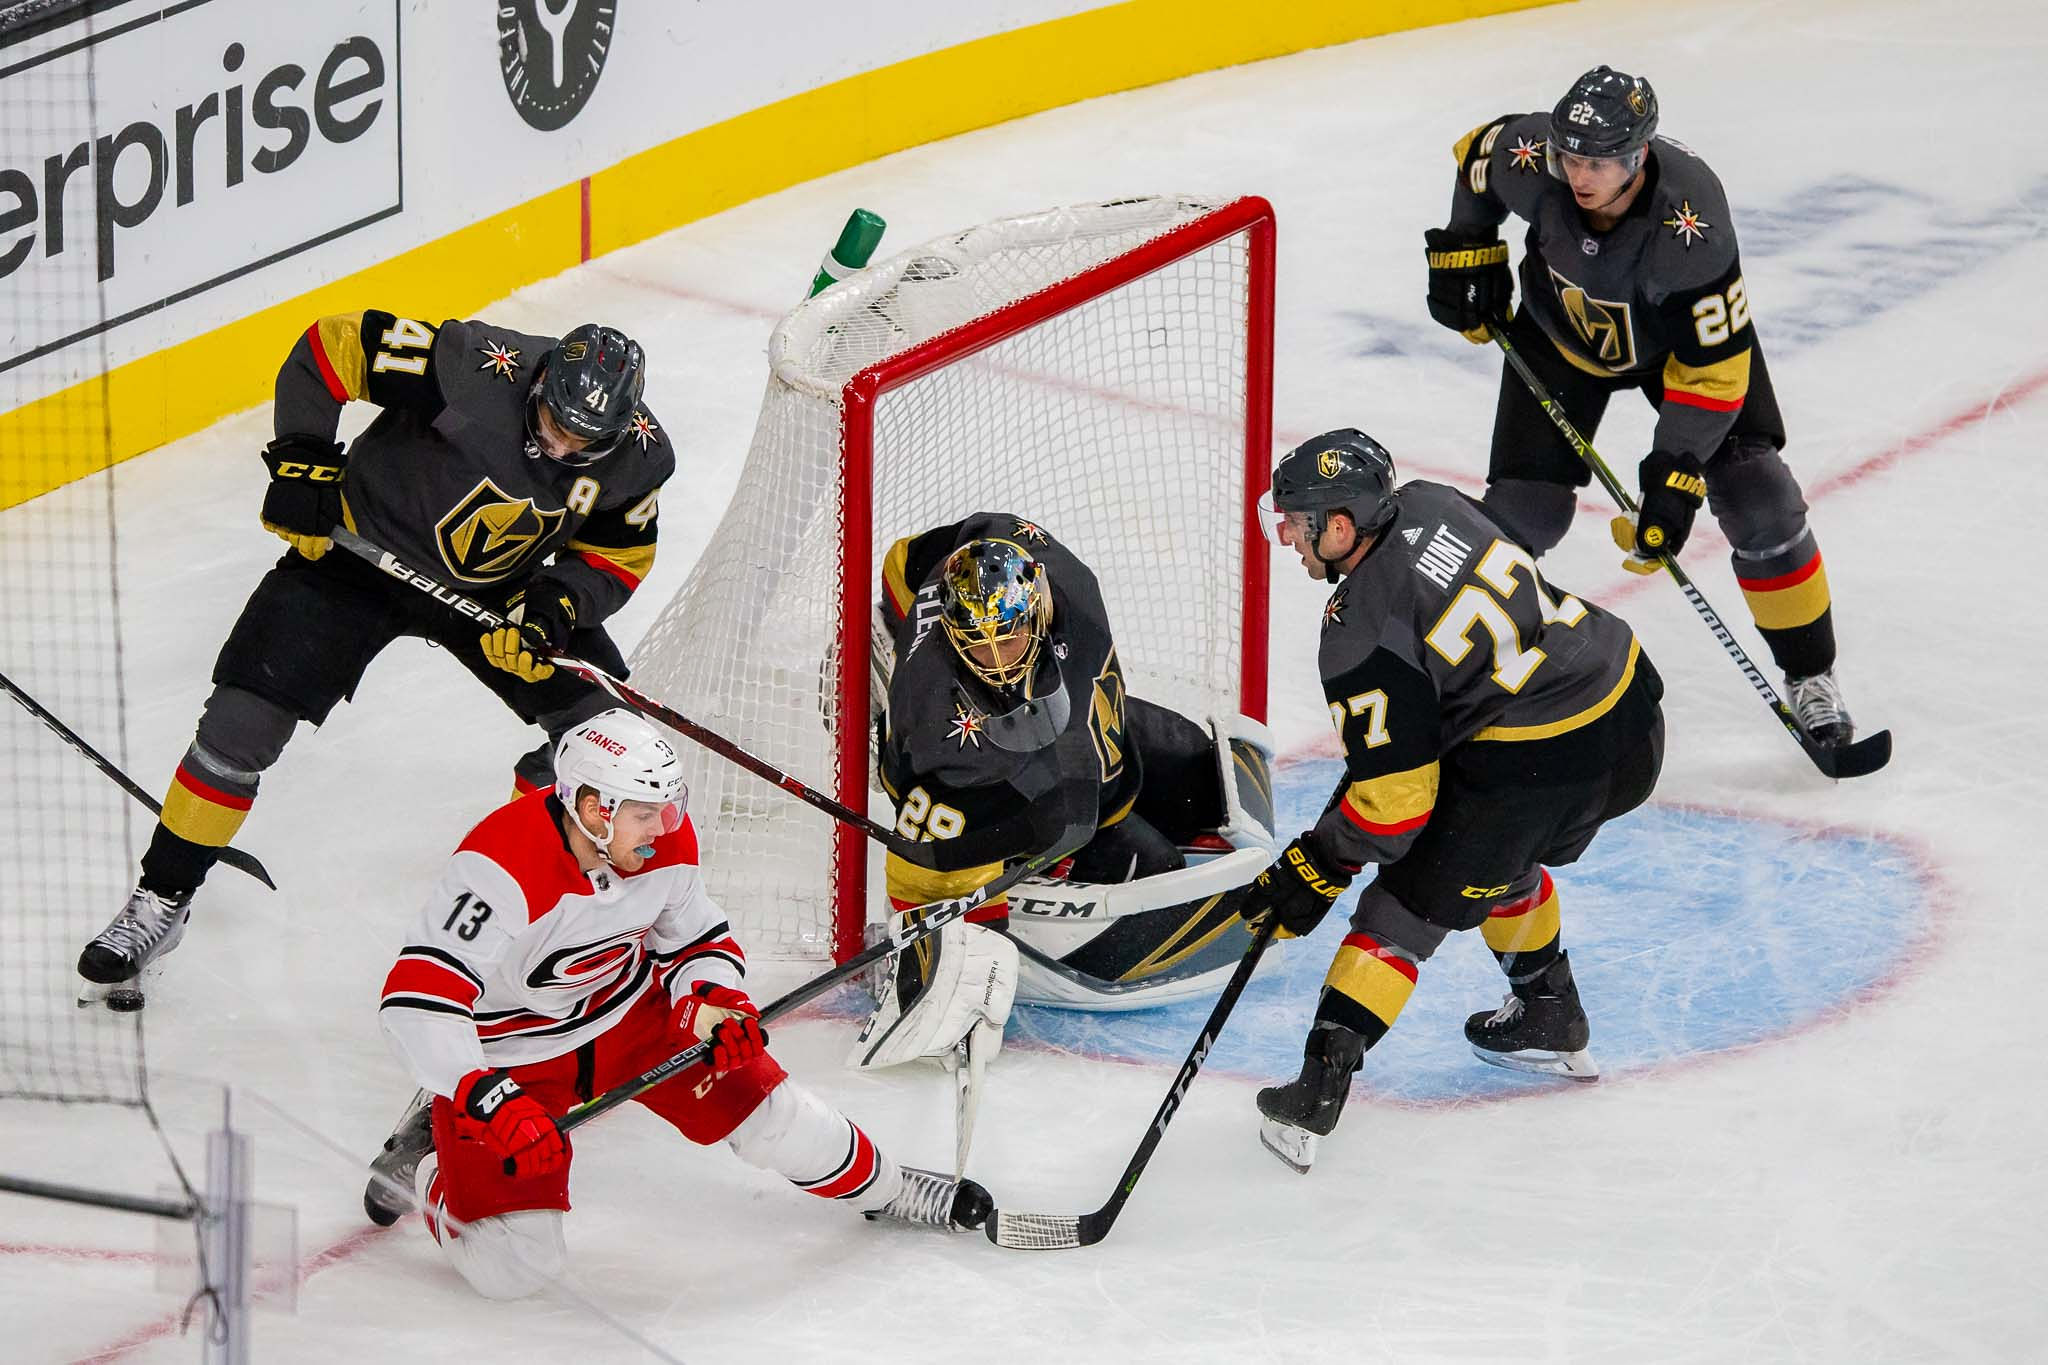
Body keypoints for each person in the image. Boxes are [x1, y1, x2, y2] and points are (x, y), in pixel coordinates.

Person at [76, 314, 675, 1008]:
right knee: (239, 727)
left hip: (499, 593)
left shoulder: (637, 457)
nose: (562, 444)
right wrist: (303, 461)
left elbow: (617, 556)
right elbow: (328, 350)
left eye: (583, 441)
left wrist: (554, 605)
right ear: (540, 384)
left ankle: (535, 909)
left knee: (604, 737)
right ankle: (162, 897)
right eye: (554, 424)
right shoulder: (473, 365)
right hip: (357, 555)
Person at [367, 708, 989, 1299]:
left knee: (779, 1116)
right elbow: (416, 999)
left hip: (630, 1016)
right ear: (593, 808)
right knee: (515, 1269)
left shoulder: (661, 842)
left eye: (669, 807)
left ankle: (891, 1190)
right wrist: (480, 1091)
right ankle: (430, 1167)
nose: (664, 827)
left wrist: (713, 1002)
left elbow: (694, 939)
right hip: (513, 1054)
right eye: (646, 813)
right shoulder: (497, 869)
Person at [1239, 430, 1665, 1173]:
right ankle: (1548, 1011)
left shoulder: (1357, 628)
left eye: (1297, 522)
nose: (1287, 537)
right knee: (1497, 853)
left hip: (1542, 760)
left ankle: (1315, 1094)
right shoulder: (1432, 500)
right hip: (1628, 709)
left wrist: (1319, 865)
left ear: (1340, 527)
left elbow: (1395, 806)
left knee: (1403, 908)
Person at [1423, 64, 1857, 747]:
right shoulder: (1534, 160)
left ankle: (1811, 675)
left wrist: (1675, 476)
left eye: (1598, 162)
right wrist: (1467, 247)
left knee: (1760, 501)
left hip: (1678, 354)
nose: (1578, 175)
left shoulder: (1692, 223)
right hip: (1558, 337)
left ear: (1639, 155)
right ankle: (1456, 678)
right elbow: (1477, 158)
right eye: (1569, 157)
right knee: (1521, 517)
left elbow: (1712, 375)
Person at [853, 512, 1257, 1063]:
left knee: (1196, 776)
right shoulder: (932, 722)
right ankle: (876, 682)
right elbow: (922, 866)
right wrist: (956, 960)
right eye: (979, 646)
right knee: (1154, 866)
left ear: (1038, 609)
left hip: (1080, 752)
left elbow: (935, 552)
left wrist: (1084, 797)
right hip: (988, 778)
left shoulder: (1070, 586)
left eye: (1009, 637)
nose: (998, 660)